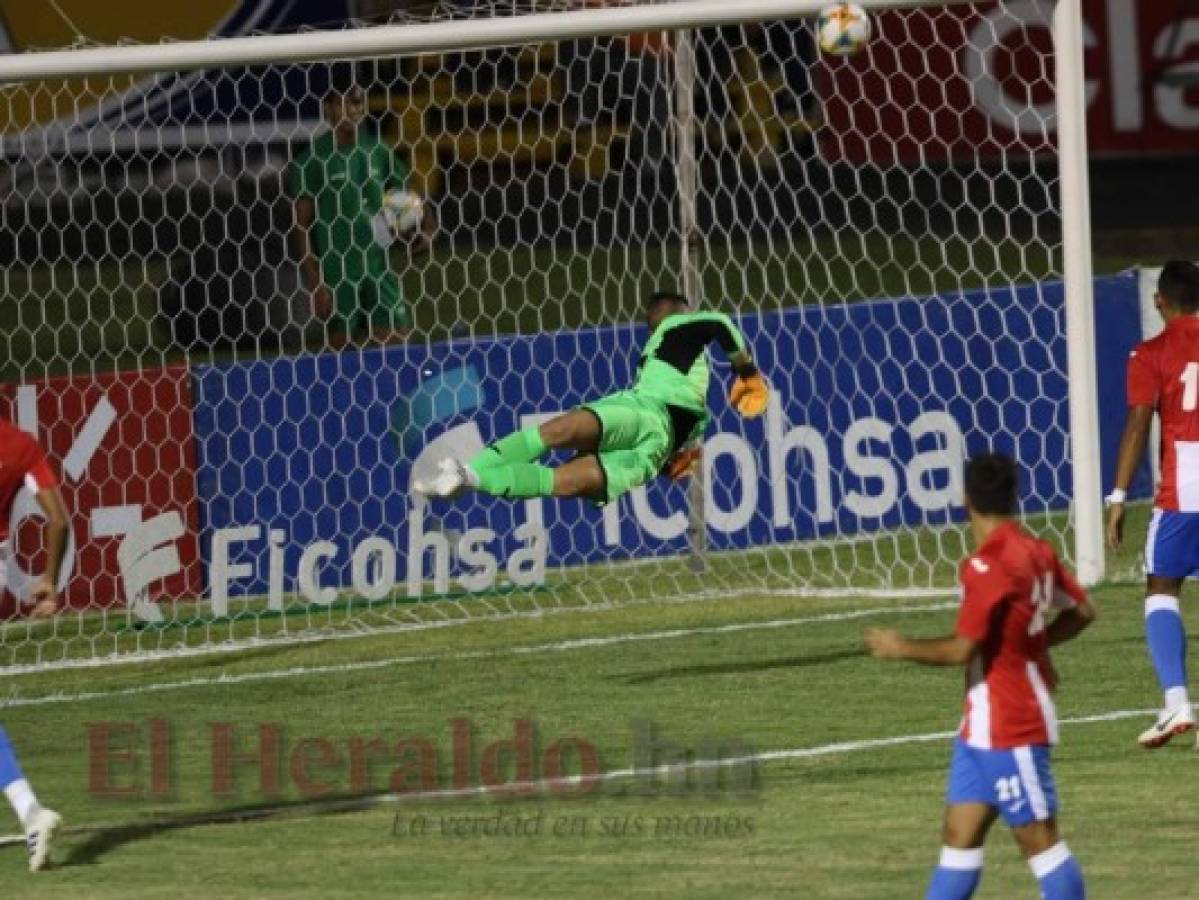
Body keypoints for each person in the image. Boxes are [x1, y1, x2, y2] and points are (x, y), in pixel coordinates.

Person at [865, 453, 1094, 900]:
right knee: (959, 836)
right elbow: (1083, 611)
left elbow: (961, 650)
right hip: (980, 726)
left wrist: (901, 647)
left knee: (1040, 840)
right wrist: (1031, 645)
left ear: (966, 499)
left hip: (1012, 724)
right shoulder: (1037, 551)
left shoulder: (988, 565)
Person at [414, 291, 769, 504]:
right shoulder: (675, 332)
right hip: (647, 418)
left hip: (650, 431)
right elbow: (719, 323)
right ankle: (466, 474)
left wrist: (672, 455)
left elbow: (712, 336)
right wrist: (747, 371)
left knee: (558, 445)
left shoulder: (670, 348)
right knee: (562, 474)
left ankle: (468, 475)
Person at [1105, 259, 1199, 748]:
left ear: (1159, 300)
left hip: (1185, 483)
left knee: (1162, 588)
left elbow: (1139, 424)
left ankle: (1177, 701)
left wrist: (1119, 495)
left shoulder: (1150, 353)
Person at [290, 66, 432, 347]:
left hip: (379, 266)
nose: (351, 110)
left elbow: (411, 198)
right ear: (328, 108)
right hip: (338, 272)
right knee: (344, 354)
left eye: (356, 103)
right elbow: (301, 224)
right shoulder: (312, 159)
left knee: (397, 345)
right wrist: (315, 282)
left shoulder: (378, 151)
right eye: (342, 103)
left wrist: (427, 230)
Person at [0, 417, 68, 871]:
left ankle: (31, 812)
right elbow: (58, 520)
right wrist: (47, 580)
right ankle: (30, 812)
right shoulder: (19, 444)